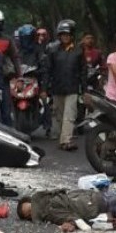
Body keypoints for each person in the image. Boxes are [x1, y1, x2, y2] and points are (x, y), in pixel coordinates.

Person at [43, 19, 84, 151]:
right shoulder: (53, 50)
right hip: (57, 88)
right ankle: (63, 139)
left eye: (67, 34)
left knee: (69, 116)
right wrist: (44, 88)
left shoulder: (78, 51)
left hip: (72, 88)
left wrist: (84, 89)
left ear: (72, 35)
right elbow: (47, 70)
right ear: (59, 36)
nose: (65, 37)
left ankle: (66, 140)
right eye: (62, 35)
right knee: (59, 116)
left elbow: (83, 71)